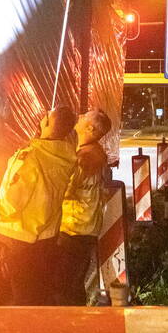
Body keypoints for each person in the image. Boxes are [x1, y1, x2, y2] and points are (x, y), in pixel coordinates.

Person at [0, 106, 78, 306]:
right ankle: (38, 331)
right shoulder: (66, 156)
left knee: (20, 297)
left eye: (46, 116)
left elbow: (12, 203)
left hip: (18, 238)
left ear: (47, 123)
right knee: (37, 293)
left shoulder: (31, 158)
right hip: (46, 238)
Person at [56, 109, 112, 306]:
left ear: (89, 127)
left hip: (74, 227)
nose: (78, 117)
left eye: (84, 116)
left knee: (66, 284)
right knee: (73, 282)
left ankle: (70, 327)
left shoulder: (86, 157)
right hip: (83, 227)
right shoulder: (93, 152)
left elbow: (65, 189)